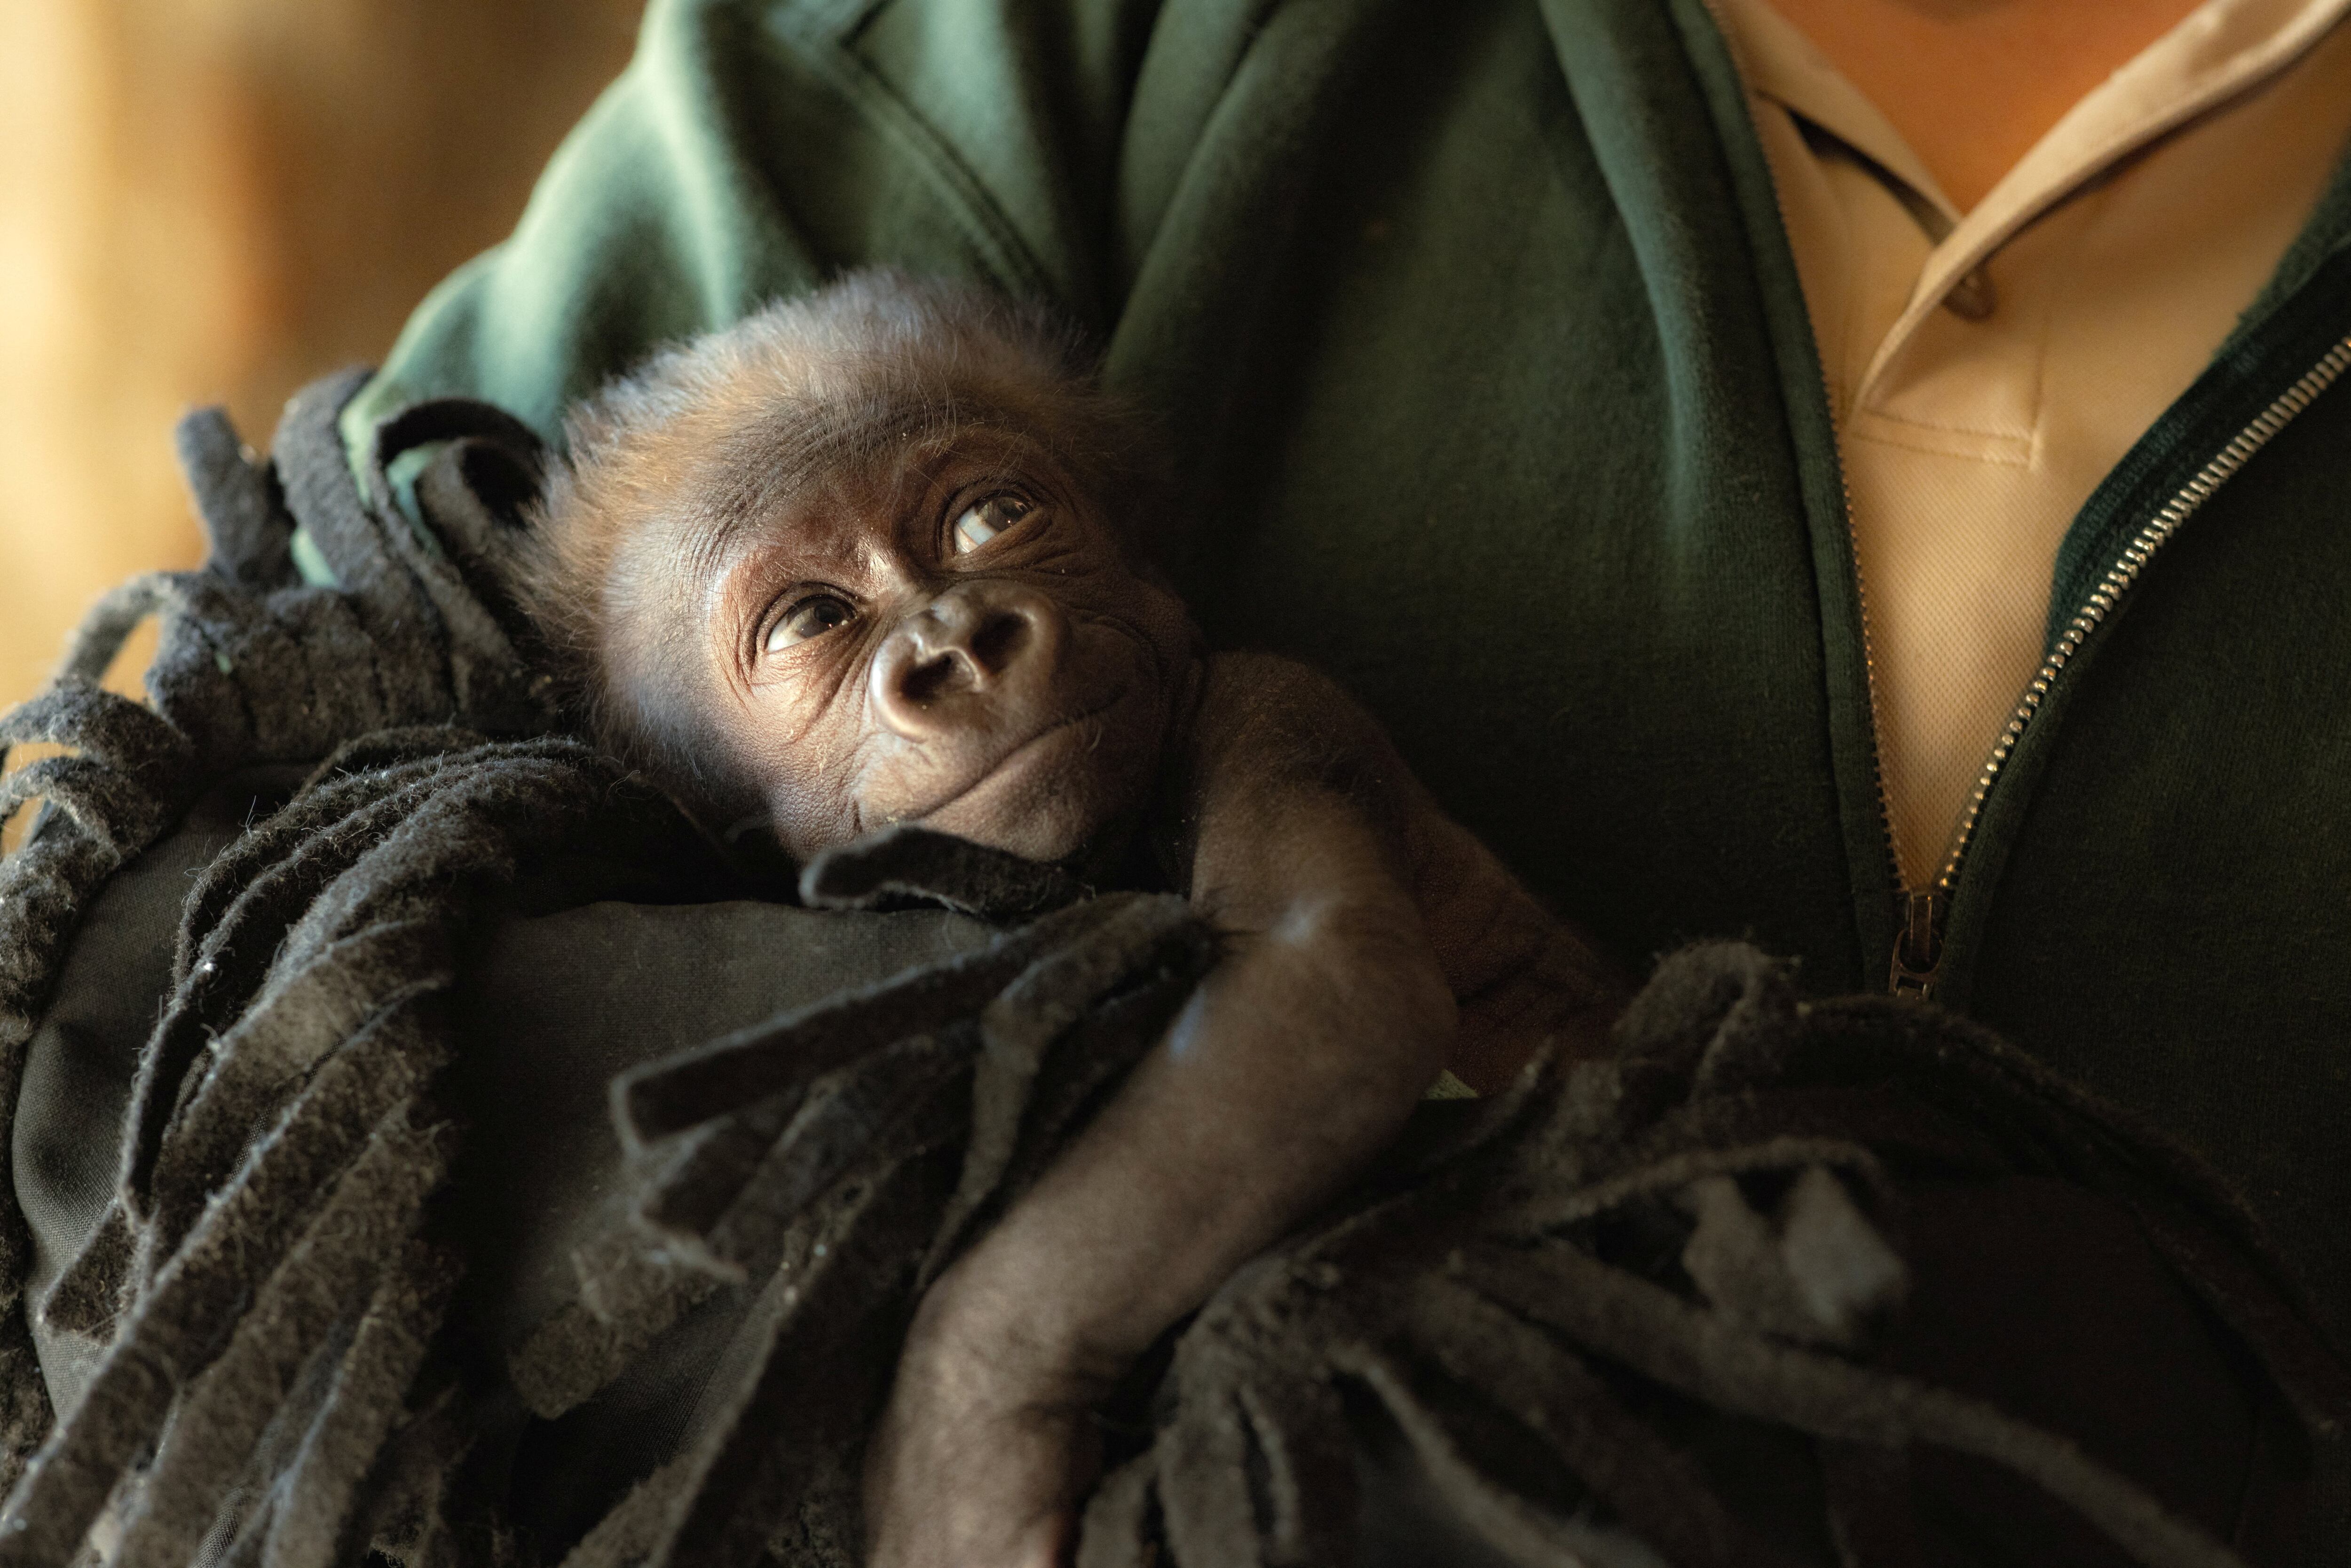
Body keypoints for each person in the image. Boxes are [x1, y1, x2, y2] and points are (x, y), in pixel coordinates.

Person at [331, 0, 2351, 1560]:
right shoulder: (1021, 61)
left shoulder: (1254, 735)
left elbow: (1346, 1001)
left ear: (1146, 564)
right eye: (818, 631)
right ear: (715, 816)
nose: (949, 639)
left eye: (984, 528)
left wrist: (995, 1363)